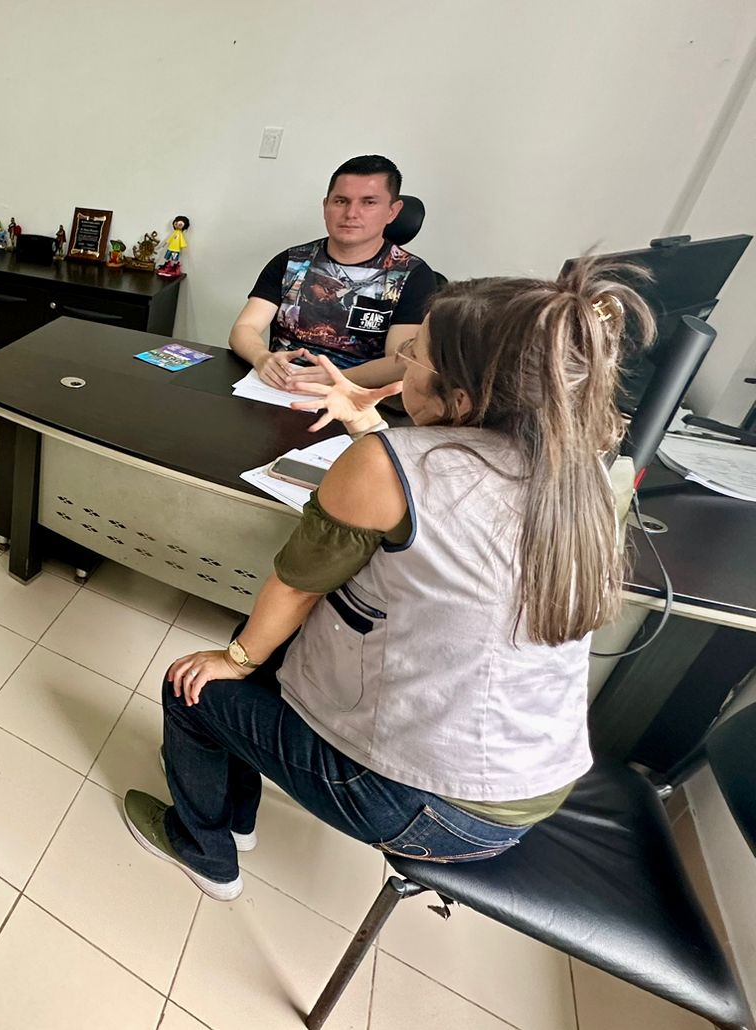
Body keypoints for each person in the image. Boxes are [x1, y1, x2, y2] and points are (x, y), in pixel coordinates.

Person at [124, 261, 647, 901]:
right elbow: (454, 496)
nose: (401, 363)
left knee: (194, 683)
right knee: (256, 645)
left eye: (415, 355)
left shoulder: (384, 463)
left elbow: (297, 586)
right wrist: (366, 424)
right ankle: (235, 814)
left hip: (425, 808)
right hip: (529, 789)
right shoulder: (585, 475)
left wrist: (233, 661)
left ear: (462, 398)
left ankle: (203, 850)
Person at [228, 155, 436, 391]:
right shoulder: (292, 261)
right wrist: (262, 358)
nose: (351, 213)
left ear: (392, 211)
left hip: (357, 396)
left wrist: (337, 378)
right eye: (341, 201)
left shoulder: (413, 276)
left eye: (368, 202)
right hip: (280, 388)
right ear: (326, 206)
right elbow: (244, 328)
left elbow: (400, 362)